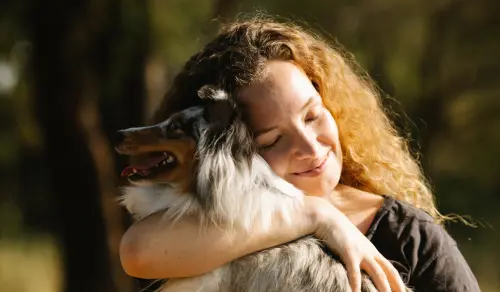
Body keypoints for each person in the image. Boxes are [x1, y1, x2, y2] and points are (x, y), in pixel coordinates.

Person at [119, 16, 480, 292]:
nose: (309, 148)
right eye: (272, 140)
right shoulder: (204, 229)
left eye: (312, 115)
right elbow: (138, 251)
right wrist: (314, 214)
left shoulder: (410, 238)